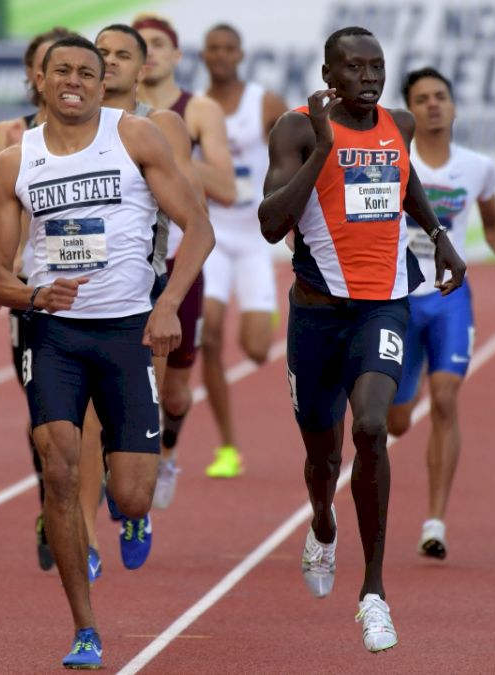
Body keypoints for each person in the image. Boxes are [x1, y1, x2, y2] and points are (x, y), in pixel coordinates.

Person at [0, 35, 213, 669]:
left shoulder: (136, 138)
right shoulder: (14, 162)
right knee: (57, 469)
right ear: (42, 81)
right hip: (54, 335)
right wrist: (33, 295)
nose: (77, 81)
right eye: (63, 71)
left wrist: (167, 304)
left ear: (102, 80)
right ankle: (85, 628)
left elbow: (199, 228)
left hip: (126, 331)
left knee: (133, 492)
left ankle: (132, 511)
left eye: (89, 71)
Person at [258, 26, 465, 653]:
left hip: (383, 307)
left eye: (376, 66)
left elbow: (404, 184)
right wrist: (323, 149)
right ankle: (323, 522)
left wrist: (438, 235)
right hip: (317, 317)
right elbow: (271, 223)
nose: (368, 77)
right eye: (354, 67)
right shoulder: (296, 129)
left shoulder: (397, 124)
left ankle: (373, 592)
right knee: (322, 457)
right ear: (329, 74)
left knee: (372, 426)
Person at [75, 23, 205, 584]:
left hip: (142, 288)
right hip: (74, 294)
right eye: (99, 54)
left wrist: (169, 299)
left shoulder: (162, 125)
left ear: (142, 65)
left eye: (121, 54)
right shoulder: (67, 123)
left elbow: (185, 211)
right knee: (78, 422)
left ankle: (134, 509)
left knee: (134, 413)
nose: (109, 62)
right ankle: (81, 536)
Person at [386, 67, 495, 561]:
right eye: (421, 99)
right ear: (409, 111)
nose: (433, 105)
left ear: (455, 106)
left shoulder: (478, 167)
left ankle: (435, 521)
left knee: (445, 397)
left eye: (440, 96)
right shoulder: (394, 162)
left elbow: (492, 219)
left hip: (449, 298)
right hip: (399, 297)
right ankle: (405, 390)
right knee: (396, 420)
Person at [0, 26, 74, 573]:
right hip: (33, 292)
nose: (54, 77)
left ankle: (92, 486)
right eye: (45, 67)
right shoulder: (10, 135)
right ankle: (51, 502)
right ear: (33, 76)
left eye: (64, 67)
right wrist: (1, 269)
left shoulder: (103, 133)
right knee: (44, 407)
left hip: (96, 291)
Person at [132, 13, 238, 497]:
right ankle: (130, 470)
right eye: (139, 45)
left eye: (158, 44)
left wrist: (167, 154)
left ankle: (168, 454)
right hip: (128, 265)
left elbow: (228, 188)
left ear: (176, 55)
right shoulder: (112, 113)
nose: (148, 52)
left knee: (173, 391)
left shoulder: (198, 111)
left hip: (180, 263)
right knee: (134, 382)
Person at [197, 23, 288, 484]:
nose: (220, 55)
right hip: (212, 234)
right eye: (212, 48)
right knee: (208, 335)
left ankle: (264, 320)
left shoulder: (263, 102)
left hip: (254, 236)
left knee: (254, 351)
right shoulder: (195, 108)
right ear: (203, 55)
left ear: (240, 54)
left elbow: (297, 148)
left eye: (228, 48)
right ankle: (228, 446)